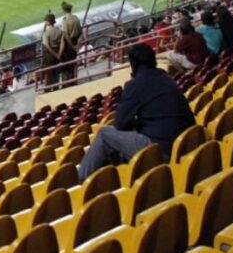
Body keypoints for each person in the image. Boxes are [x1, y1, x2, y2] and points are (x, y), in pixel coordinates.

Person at [77, 44, 195, 181]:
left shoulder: (135, 85)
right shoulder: (166, 77)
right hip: (183, 141)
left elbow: (120, 124)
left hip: (160, 148)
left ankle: (82, 180)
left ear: (133, 64)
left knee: (104, 134)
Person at [59, 2, 82, 85]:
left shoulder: (65, 20)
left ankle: (67, 83)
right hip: (75, 42)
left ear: (64, 10)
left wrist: (71, 45)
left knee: (66, 65)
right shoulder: (76, 18)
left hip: (68, 45)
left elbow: (65, 34)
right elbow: (80, 31)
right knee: (72, 63)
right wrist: (76, 43)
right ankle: (73, 81)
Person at [41, 12, 62, 87]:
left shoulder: (46, 33)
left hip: (50, 54)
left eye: (45, 21)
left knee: (49, 73)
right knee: (56, 71)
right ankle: (56, 86)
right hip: (58, 51)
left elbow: (46, 45)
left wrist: (54, 54)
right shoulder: (59, 30)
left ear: (48, 22)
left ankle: (48, 89)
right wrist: (58, 53)